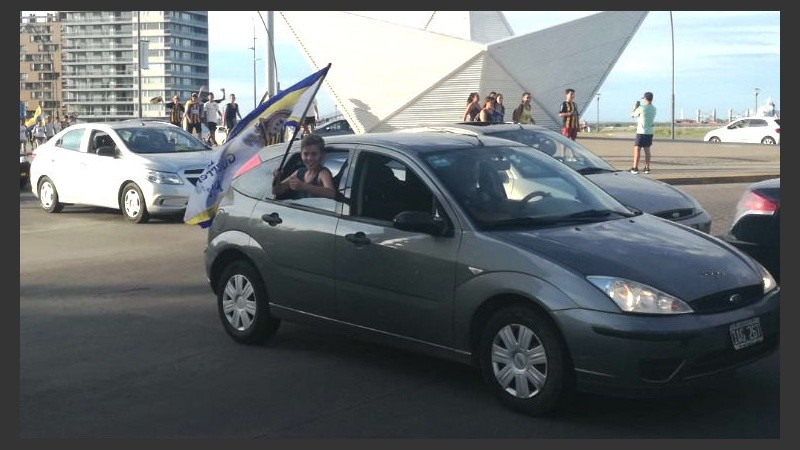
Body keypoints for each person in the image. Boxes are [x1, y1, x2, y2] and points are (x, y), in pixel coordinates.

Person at [272, 134, 336, 199]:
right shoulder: (299, 173)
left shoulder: (323, 173)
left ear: (322, 155)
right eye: (305, 154)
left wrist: (303, 186)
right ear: (301, 155)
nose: (309, 158)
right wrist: (277, 179)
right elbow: (277, 191)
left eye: (314, 154)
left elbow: (331, 193)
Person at [629, 91, 656, 174]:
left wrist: (634, 108)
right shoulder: (653, 108)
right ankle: (647, 168)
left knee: (637, 149)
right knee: (647, 149)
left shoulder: (642, 108)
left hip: (641, 131)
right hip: (649, 132)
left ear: (645, 98)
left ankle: (635, 168)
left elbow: (632, 115)